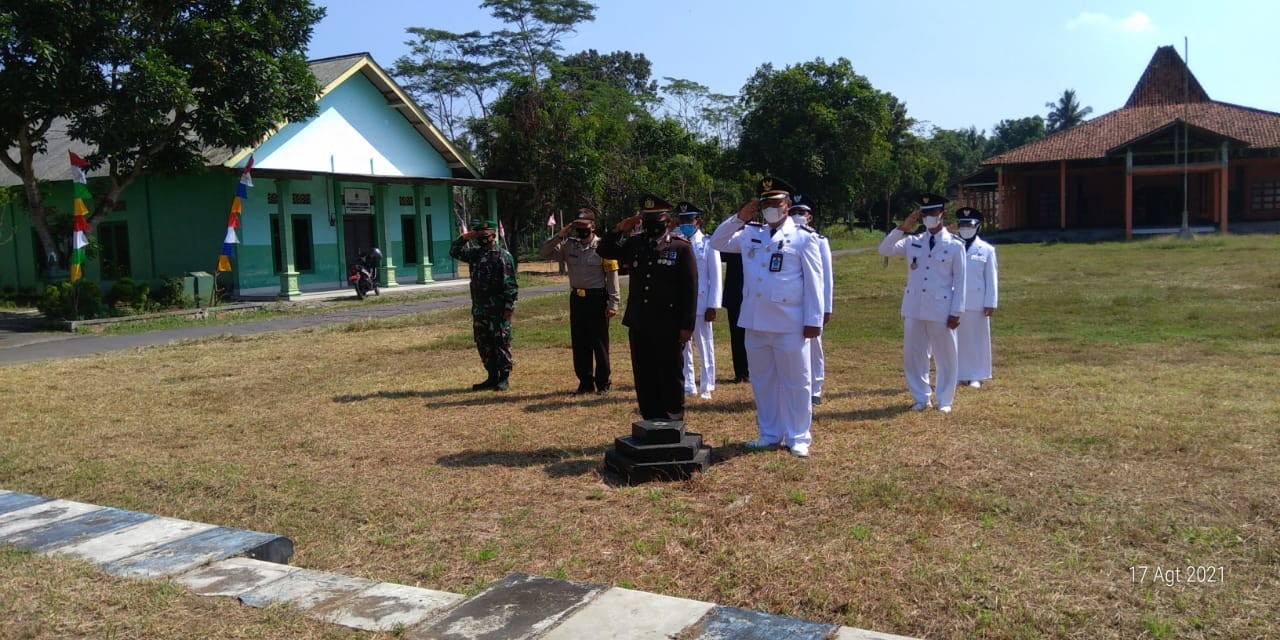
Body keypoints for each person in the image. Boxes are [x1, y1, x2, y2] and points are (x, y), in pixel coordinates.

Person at [709, 177, 824, 458]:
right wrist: (739, 217)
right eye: (765, 204)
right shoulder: (750, 233)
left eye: (775, 203)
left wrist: (814, 320)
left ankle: (799, 436)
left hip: (790, 322)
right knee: (763, 381)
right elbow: (717, 242)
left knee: (797, 381)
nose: (770, 208)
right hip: (755, 321)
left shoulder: (803, 237)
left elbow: (814, 281)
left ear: (787, 206)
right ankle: (770, 433)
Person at [596, 194, 697, 421]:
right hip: (640, 322)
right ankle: (650, 419)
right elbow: (603, 250)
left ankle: (673, 419)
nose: (652, 223)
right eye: (647, 218)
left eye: (657, 218)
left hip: (669, 324)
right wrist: (620, 227)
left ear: (668, 221)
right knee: (644, 374)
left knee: (670, 373)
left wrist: (687, 326)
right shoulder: (635, 243)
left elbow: (690, 291)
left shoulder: (681, 248)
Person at [877, 194, 966, 413]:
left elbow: (960, 281)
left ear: (942, 215)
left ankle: (944, 400)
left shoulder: (955, 245)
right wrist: (902, 227)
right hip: (914, 306)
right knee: (914, 354)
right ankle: (921, 397)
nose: (928, 218)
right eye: (924, 214)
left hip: (941, 308)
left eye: (933, 213)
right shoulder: (913, 241)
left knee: (945, 355)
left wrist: (957, 311)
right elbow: (884, 250)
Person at [539, 207, 621, 395]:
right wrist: (560, 235)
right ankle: (585, 382)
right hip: (577, 299)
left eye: (584, 225)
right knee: (580, 342)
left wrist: (613, 303)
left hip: (597, 299)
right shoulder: (569, 245)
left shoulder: (603, 246)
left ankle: (603, 383)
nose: (581, 229)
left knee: (599, 343)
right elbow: (544, 252)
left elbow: (612, 277)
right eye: (577, 226)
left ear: (593, 226)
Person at [450, 220, 518, 391]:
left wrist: (509, 306)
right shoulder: (475, 254)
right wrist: (466, 237)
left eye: (485, 236)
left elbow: (510, 284)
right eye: (479, 236)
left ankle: (504, 377)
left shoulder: (503, 256)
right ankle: (491, 376)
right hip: (480, 308)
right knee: (483, 342)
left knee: (501, 341)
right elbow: (454, 251)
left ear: (494, 236)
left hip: (498, 308)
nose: (482, 240)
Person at [674, 202, 722, 400]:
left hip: (702, 303)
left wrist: (713, 304)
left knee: (705, 345)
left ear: (697, 221)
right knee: (684, 347)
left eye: (689, 220)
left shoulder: (709, 243)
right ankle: (688, 384)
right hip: (681, 303)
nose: (685, 223)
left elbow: (716, 275)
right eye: (682, 220)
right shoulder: (675, 241)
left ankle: (707, 385)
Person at [789, 196, 834, 405]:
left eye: (802, 213)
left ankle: (815, 387)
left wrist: (826, 307)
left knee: (814, 346)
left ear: (810, 217)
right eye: (794, 213)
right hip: (791, 303)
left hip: (813, 302)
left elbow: (826, 277)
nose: (797, 216)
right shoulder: (786, 238)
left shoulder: (819, 240)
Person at [954, 207, 998, 388]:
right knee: (954, 339)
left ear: (978, 226)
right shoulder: (951, 246)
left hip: (977, 301)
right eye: (962, 225)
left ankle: (976, 375)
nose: (965, 228)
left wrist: (991, 302)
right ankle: (956, 374)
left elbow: (991, 277)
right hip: (954, 300)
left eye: (969, 225)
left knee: (976, 338)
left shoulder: (987, 250)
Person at [720, 252, 750, 383]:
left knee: (752, 336)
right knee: (736, 336)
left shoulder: (759, 238)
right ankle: (740, 372)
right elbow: (720, 253)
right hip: (735, 295)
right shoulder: (734, 241)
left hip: (753, 297)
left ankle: (751, 371)